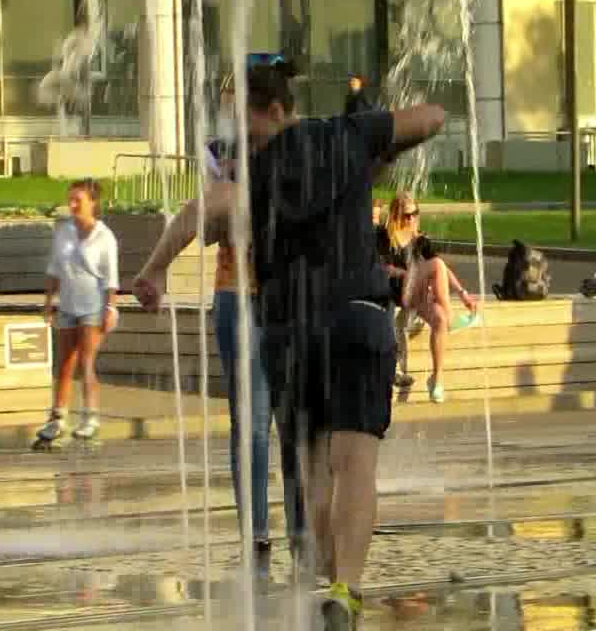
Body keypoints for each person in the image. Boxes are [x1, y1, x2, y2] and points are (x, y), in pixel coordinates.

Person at [133, 59, 446, 630]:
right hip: (357, 318)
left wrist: (155, 269)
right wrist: (379, 149)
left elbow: (200, 212)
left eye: (248, 126)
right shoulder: (347, 135)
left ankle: (331, 577)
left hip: (293, 333)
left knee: (316, 468)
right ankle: (345, 589)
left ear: (275, 110)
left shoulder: (257, 171)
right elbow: (432, 118)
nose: (243, 139)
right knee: (354, 467)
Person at [203, 81, 306, 580]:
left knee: (293, 419)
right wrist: (226, 188)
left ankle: (302, 531)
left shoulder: (296, 153)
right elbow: (207, 230)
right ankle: (257, 533)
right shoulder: (219, 157)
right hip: (236, 293)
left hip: (285, 295)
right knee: (250, 422)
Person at [38, 179, 120, 444]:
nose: (72, 205)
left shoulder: (104, 236)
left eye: (78, 200)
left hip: (93, 307)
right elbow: (54, 268)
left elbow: (111, 277)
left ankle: (90, 417)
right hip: (67, 305)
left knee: (86, 362)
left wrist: (110, 307)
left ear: (92, 203)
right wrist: (49, 301)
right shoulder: (64, 231)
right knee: (64, 363)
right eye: (70, 199)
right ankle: (57, 418)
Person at [377, 192, 478, 401]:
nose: (411, 219)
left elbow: (443, 271)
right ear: (395, 215)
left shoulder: (420, 240)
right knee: (437, 264)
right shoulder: (385, 237)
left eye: (415, 213)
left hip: (416, 295)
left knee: (439, 317)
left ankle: (436, 380)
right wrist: (401, 273)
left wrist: (463, 294)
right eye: (407, 215)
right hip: (396, 291)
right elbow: (381, 266)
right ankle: (451, 320)